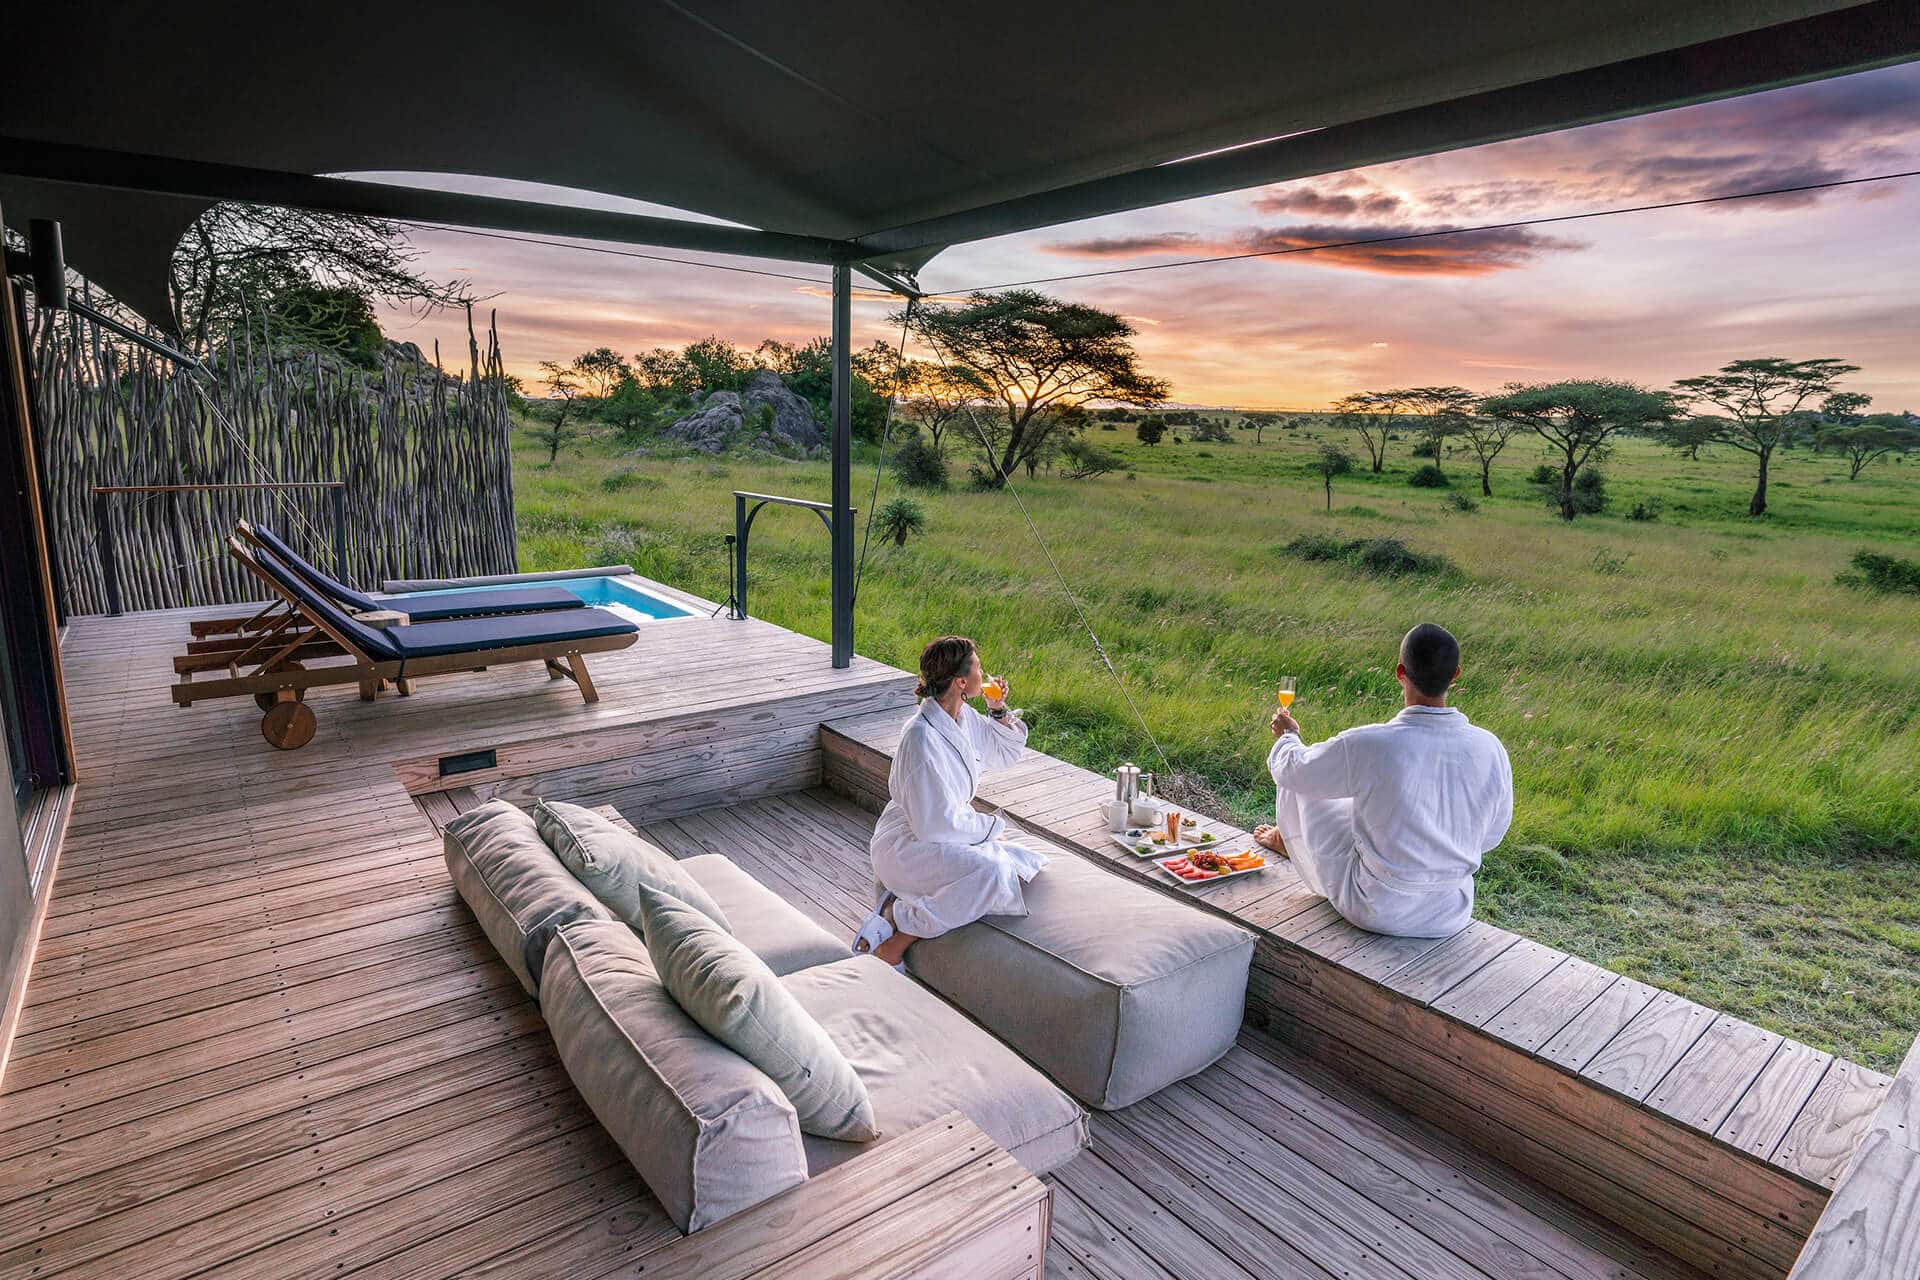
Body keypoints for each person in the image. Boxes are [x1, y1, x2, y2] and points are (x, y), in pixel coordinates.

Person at [1254, 623, 1512, 938]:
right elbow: (1492, 835)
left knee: (1308, 778)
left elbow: (1293, 770)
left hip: (1376, 907)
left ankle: (1296, 845)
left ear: (1400, 672)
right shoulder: (1490, 747)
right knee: (1363, 796)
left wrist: (1289, 737)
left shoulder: (1372, 744)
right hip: (1450, 910)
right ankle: (1299, 844)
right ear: (1456, 674)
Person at [853, 636, 1046, 969]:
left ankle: (892, 910)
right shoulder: (921, 737)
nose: (984, 674)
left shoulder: (964, 718)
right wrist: (990, 826)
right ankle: (896, 933)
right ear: (961, 682)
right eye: (978, 668)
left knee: (1009, 865)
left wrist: (997, 709)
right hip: (906, 844)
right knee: (991, 872)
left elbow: (1003, 753)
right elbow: (933, 825)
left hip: (939, 831)